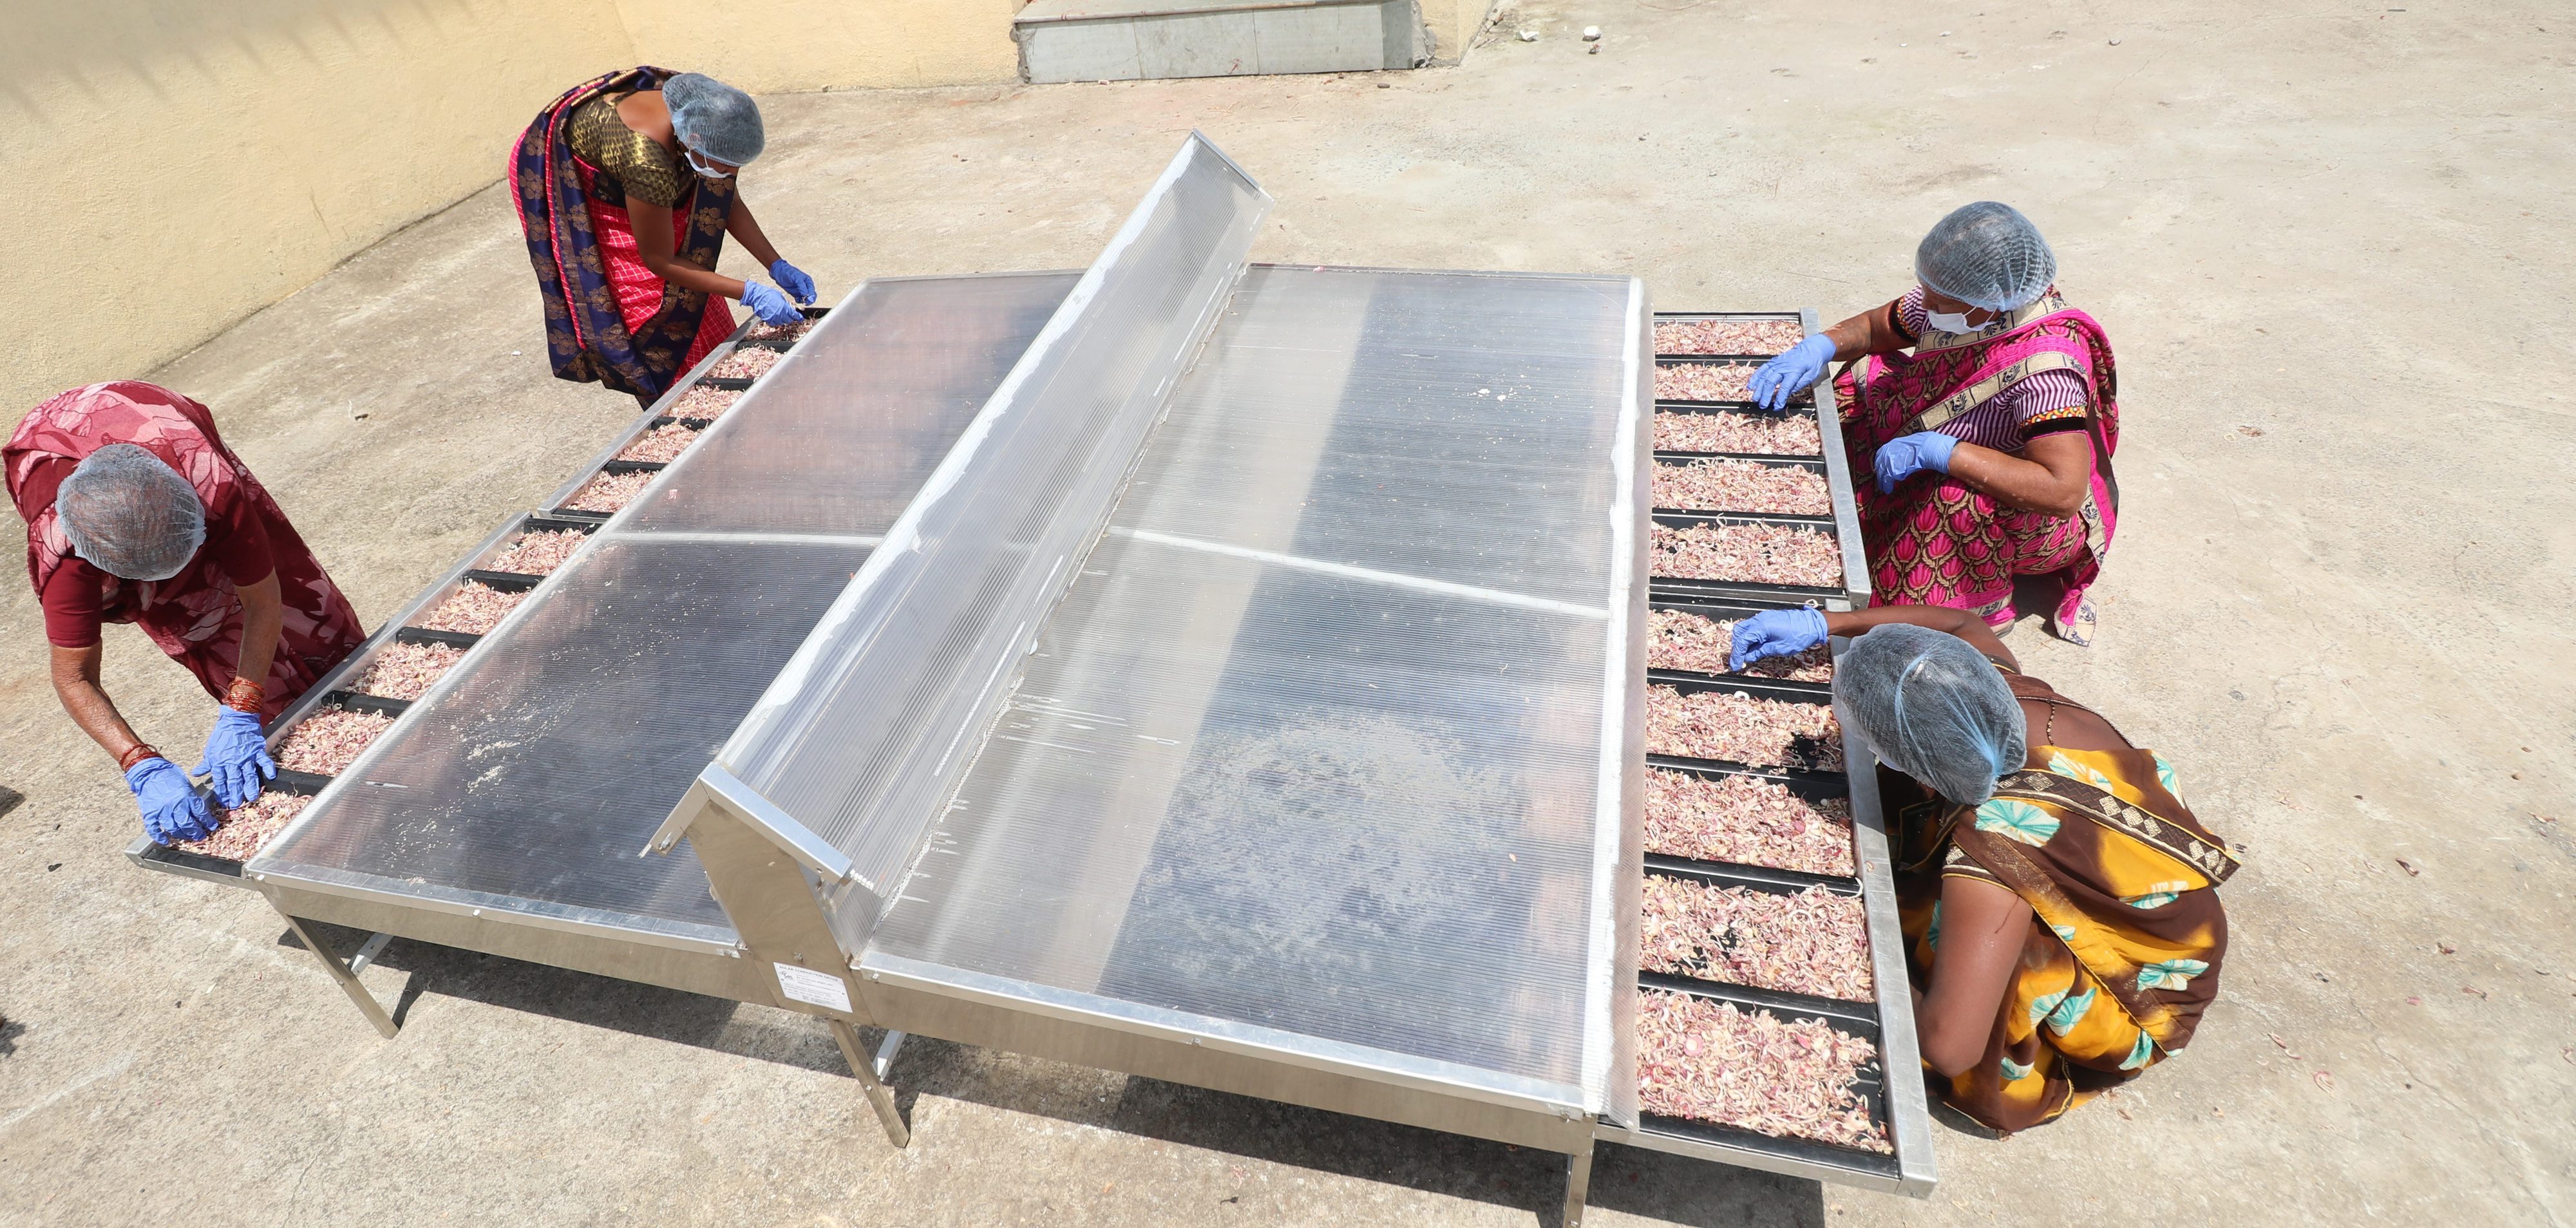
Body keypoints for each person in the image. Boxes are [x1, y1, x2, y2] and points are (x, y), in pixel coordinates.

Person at [1732, 605, 2235, 1132]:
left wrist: (1850, 954)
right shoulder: (2007, 700)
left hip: (2141, 994)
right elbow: (1961, 626)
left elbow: (1950, 1049)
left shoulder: (1995, 846)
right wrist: (1826, 623)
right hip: (2164, 909)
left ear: (1916, 764)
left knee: (1920, 942)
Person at [6, 383, 366, 845]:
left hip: (143, 421)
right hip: (73, 477)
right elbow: (74, 677)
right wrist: (139, 762)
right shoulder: (68, 560)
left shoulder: (210, 484)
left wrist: (242, 707)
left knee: (304, 605)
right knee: (196, 616)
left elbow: (263, 598)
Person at [1746, 202, 2119, 645]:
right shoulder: (1963, 304)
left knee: (1950, 499)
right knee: (1859, 377)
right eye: (1928, 292)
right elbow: (1876, 328)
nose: (1927, 305)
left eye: (1940, 300)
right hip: (1951, 435)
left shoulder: (2046, 370)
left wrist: (1943, 452)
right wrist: (1822, 345)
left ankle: (1968, 610)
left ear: (1991, 302)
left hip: (2031, 515)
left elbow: (2062, 491)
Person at [509, 67, 818, 406]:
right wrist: (749, 293)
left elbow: (725, 197)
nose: (732, 173)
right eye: (725, 165)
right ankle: (673, 394)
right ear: (692, 141)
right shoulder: (648, 163)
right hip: (583, 181)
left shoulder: (700, 111)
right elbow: (659, 260)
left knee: (694, 284)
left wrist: (776, 264)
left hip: (640, 169)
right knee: (653, 300)